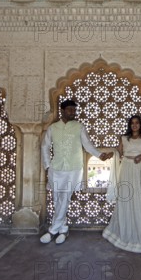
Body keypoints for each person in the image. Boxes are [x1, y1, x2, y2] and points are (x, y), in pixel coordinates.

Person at [40, 99, 112, 244]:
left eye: (74, 110)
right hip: (56, 168)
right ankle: (63, 229)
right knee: (57, 200)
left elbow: (87, 145)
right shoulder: (53, 128)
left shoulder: (79, 127)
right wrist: (48, 166)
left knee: (65, 198)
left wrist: (100, 155)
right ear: (63, 111)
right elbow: (45, 147)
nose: (72, 112)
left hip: (73, 168)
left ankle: (52, 230)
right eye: (70, 110)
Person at [103, 115, 141, 253]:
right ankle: (126, 235)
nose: (134, 125)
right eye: (132, 123)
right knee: (126, 199)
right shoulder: (124, 139)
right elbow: (118, 152)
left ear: (140, 125)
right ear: (129, 125)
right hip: (126, 168)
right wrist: (110, 153)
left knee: (140, 199)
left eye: (137, 123)